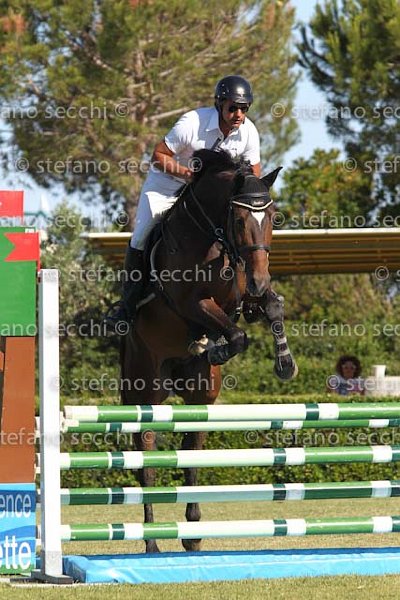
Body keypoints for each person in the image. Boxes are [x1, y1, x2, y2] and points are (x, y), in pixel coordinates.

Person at [104, 75, 261, 334]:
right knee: (140, 237)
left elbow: (253, 173)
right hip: (166, 187)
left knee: (244, 231)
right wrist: (188, 175)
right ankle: (127, 307)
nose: (238, 114)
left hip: (207, 198)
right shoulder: (192, 123)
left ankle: (250, 294)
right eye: (233, 108)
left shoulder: (248, 132)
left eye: (244, 108)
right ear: (219, 104)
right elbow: (158, 155)